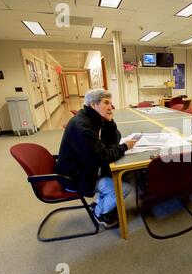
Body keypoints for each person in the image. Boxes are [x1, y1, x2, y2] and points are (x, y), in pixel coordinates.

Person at [56, 88, 137, 229]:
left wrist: (109, 122)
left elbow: (111, 143)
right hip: (74, 176)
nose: (111, 107)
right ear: (93, 104)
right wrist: (124, 147)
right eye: (106, 103)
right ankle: (99, 213)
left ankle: (101, 202)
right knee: (124, 188)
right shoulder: (83, 126)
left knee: (122, 174)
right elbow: (102, 157)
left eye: (111, 103)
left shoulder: (91, 119)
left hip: (84, 167)